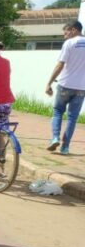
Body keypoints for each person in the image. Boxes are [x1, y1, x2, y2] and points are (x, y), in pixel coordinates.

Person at [45, 20, 85, 155]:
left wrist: (49, 82)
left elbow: (60, 65)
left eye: (66, 32)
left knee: (57, 112)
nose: (64, 35)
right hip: (81, 88)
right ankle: (65, 147)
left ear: (74, 30)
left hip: (65, 85)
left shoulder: (69, 43)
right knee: (72, 118)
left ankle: (55, 138)